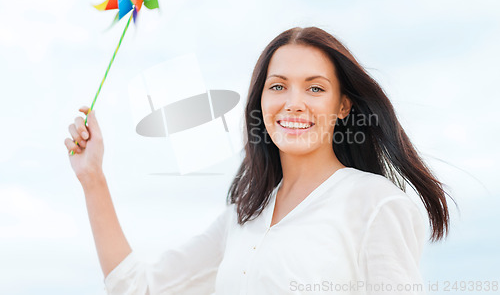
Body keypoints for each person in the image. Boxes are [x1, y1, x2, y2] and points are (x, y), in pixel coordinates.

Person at [65, 27, 452, 295]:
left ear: (343, 106)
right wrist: (92, 179)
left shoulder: (375, 204)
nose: (293, 102)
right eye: (278, 86)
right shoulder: (244, 215)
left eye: (315, 88)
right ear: (261, 102)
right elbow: (140, 288)